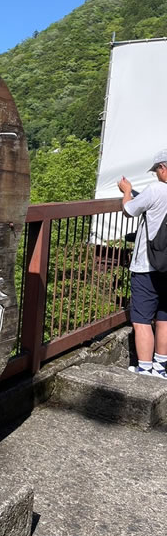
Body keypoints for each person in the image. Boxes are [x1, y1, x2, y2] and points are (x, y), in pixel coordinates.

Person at [118, 148, 167, 378]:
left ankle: (145, 368)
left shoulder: (157, 189)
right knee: (164, 318)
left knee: (142, 320)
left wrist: (127, 191)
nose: (157, 175)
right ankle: (161, 367)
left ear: (163, 168)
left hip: (147, 266)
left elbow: (129, 210)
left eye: (157, 170)